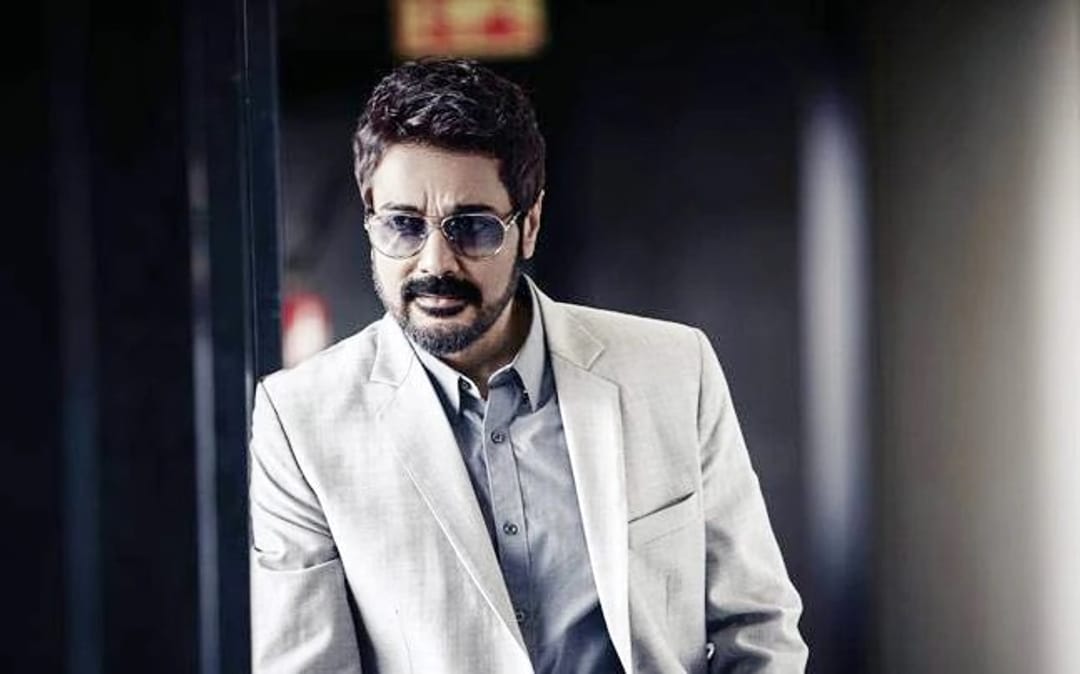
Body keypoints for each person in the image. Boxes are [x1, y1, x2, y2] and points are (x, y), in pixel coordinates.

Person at [249, 57, 808, 673]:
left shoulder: (675, 370)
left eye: (473, 228)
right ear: (370, 221)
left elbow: (757, 629)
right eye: (403, 225)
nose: (435, 263)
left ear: (530, 225)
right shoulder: (299, 420)